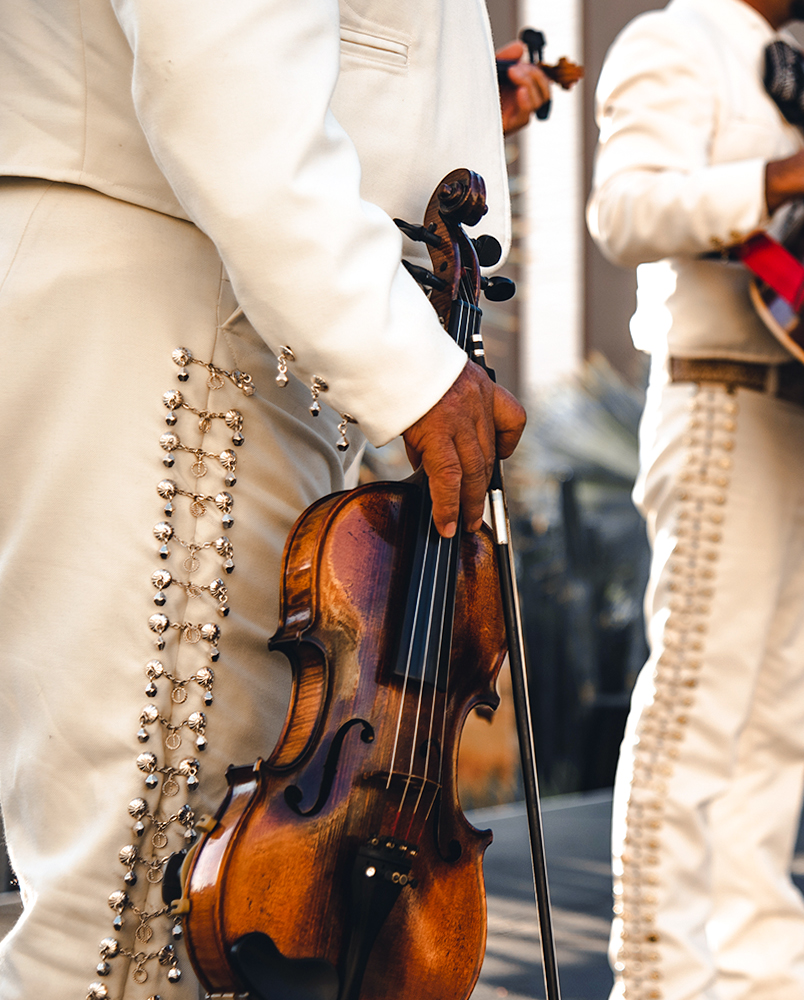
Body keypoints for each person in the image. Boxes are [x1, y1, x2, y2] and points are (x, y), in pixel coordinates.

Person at [0, 5, 544, 995]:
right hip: (183, 284)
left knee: (183, 882)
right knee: (139, 903)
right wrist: (402, 364)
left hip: (224, 294)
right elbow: (219, 54)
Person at [586, 2, 804, 998]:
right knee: (697, 711)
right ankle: (663, 976)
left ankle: (762, 964)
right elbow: (623, 211)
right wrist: (790, 173)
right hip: (719, 394)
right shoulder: (671, 40)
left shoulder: (799, 74)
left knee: (772, 723)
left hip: (799, 411)